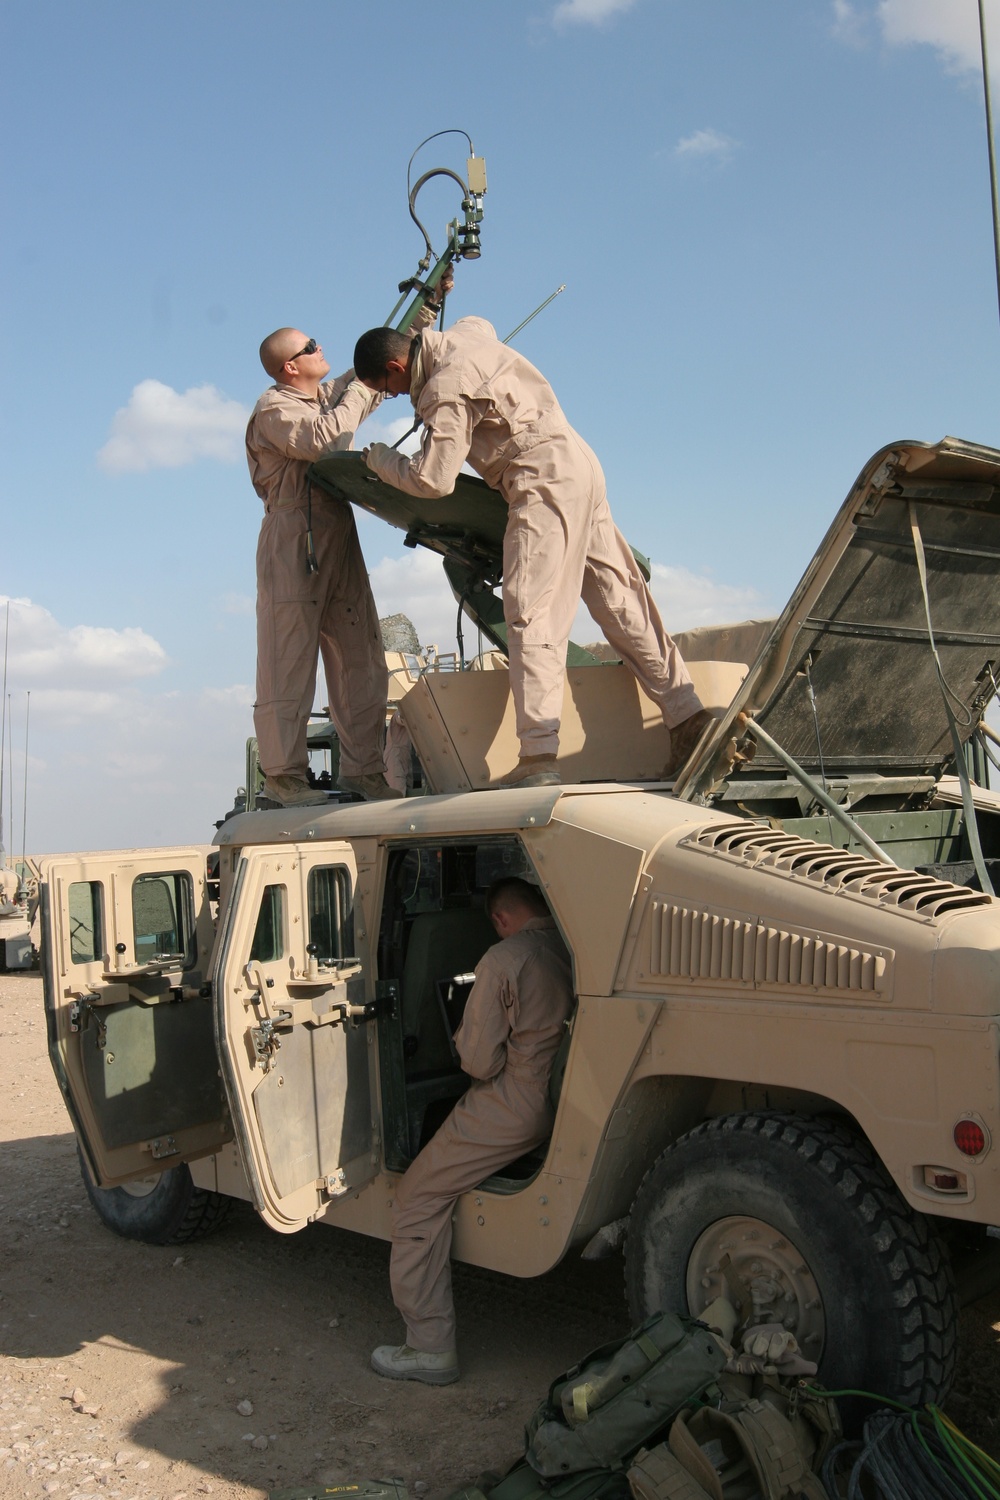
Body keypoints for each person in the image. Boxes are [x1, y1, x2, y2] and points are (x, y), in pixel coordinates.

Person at [352, 316, 714, 788]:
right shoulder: (465, 338)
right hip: (579, 464)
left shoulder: (445, 387)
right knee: (620, 602)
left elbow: (432, 480)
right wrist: (431, 304)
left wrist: (381, 461)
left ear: (398, 365)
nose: (398, 396)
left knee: (531, 612)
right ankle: (688, 719)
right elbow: (479, 321)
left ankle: (539, 755)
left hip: (539, 479)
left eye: (392, 387)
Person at [246, 286, 450, 807]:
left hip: (336, 528)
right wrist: (358, 389)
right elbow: (326, 438)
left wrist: (424, 307)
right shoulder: (274, 408)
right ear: (290, 367)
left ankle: (364, 771)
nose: (320, 348)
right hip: (295, 536)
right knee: (288, 660)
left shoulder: (321, 395)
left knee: (363, 659)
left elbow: (377, 378)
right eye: (310, 346)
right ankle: (285, 778)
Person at [371, 877, 573, 1385]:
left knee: (415, 1196)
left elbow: (480, 1063)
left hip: (513, 1103)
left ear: (501, 920)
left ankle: (429, 1345)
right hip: (559, 1098)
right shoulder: (568, 945)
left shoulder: (503, 960)